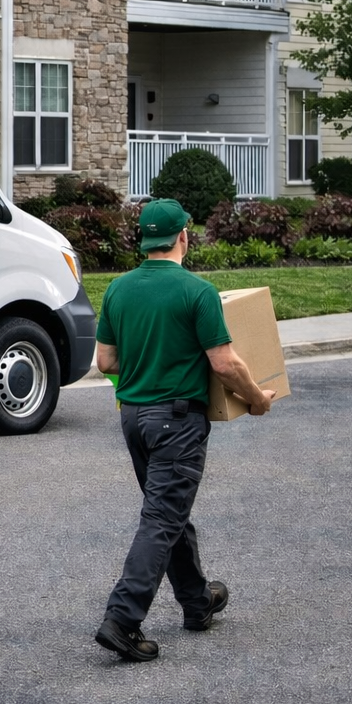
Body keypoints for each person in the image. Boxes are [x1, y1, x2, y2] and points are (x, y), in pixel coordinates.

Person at [92, 198, 276, 663]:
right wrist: (257, 399)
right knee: (161, 518)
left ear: (145, 239)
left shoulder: (117, 289)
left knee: (168, 511)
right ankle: (122, 620)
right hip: (176, 420)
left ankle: (197, 602)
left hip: (133, 417)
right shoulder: (198, 291)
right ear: (183, 237)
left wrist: (147, 365)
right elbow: (225, 364)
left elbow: (106, 361)